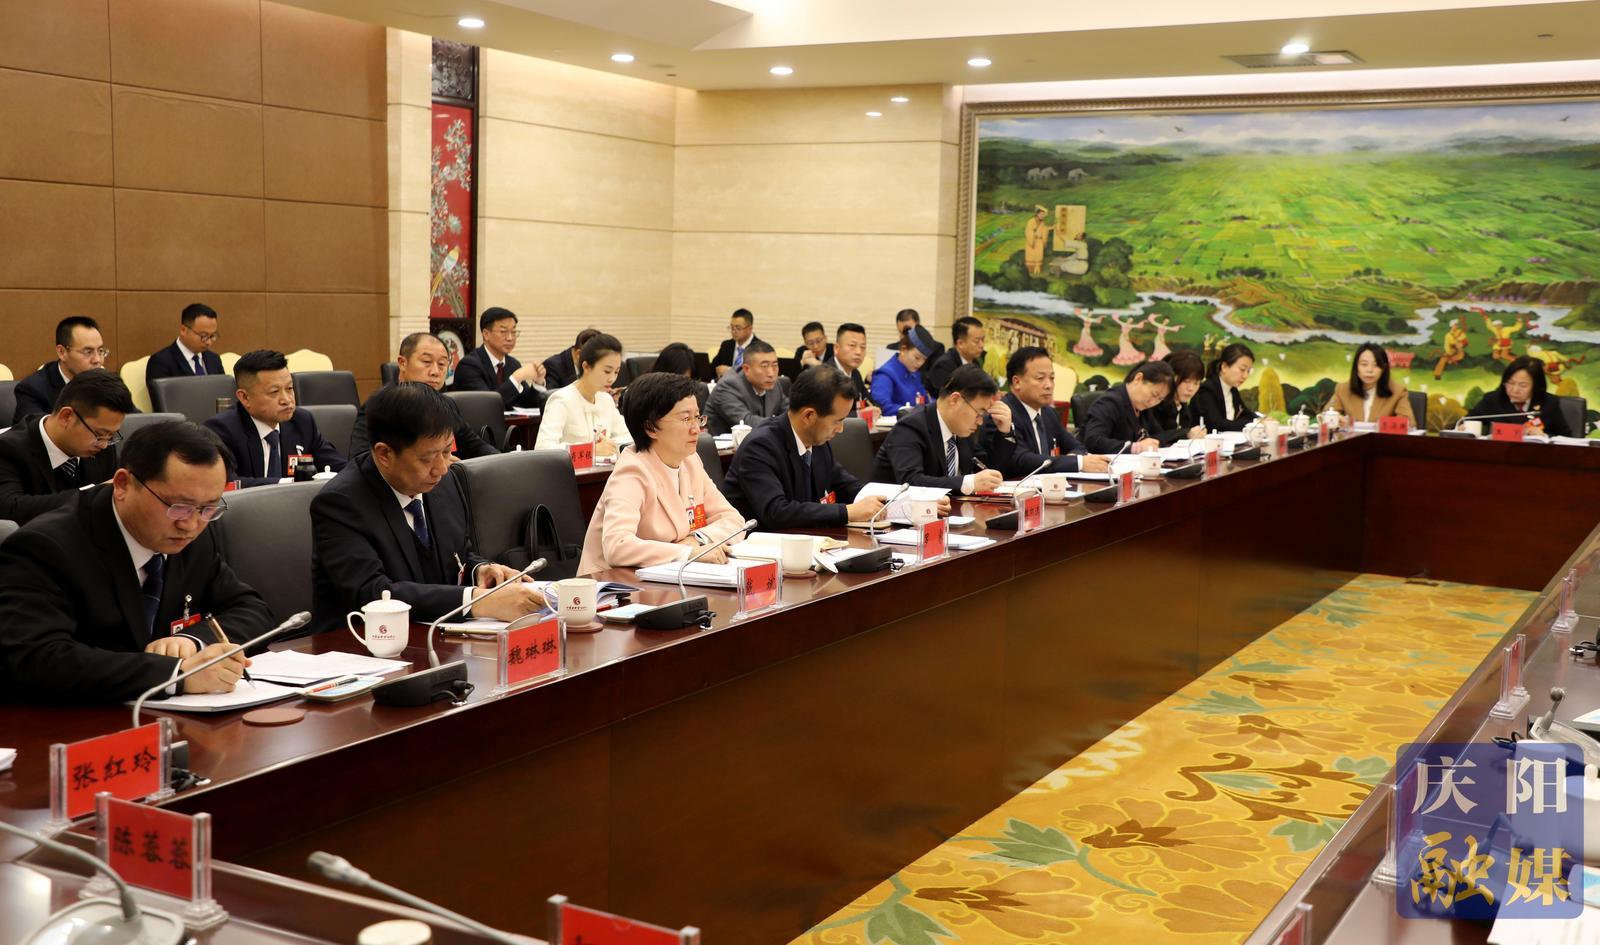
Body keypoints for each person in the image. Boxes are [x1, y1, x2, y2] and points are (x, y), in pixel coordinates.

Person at [0, 421, 272, 703]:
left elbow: (251, 609)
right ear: (123, 485)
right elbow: (40, 658)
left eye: (209, 508)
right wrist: (176, 675)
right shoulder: (46, 547)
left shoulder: (195, 535)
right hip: (72, 717)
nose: (191, 524)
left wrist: (191, 641)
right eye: (178, 507)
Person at [310, 384, 543, 635]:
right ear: (385, 453)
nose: (442, 468)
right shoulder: (340, 504)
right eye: (427, 458)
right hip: (362, 643)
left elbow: (459, 554)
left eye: (447, 451)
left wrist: (481, 570)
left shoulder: (446, 482)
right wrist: (477, 601)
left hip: (437, 637)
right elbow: (374, 593)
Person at [577, 373, 746, 574]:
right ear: (651, 428)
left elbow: (734, 520)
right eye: (685, 419)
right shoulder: (632, 472)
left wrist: (696, 539)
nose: (696, 429)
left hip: (670, 577)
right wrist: (686, 552)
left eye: (697, 417)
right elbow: (617, 546)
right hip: (616, 583)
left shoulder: (690, 461)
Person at [722, 366, 884, 530]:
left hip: (807, 539)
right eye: (837, 421)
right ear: (808, 415)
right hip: (760, 541)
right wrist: (847, 512)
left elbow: (845, 485)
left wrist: (880, 500)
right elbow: (777, 512)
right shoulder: (760, 446)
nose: (841, 429)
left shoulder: (817, 442)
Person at [0, 369, 132, 524]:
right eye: (99, 434)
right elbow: (10, 509)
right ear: (66, 417)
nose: (104, 444)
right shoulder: (7, 448)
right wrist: (94, 495)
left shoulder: (103, 444)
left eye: (111, 435)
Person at [204, 349, 347, 487]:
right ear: (245, 397)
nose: (286, 400)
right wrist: (289, 484)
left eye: (289, 389)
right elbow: (227, 483)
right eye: (274, 392)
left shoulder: (302, 422)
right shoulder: (221, 430)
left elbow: (340, 468)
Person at [872, 363, 1017, 496]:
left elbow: (986, 471)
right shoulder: (910, 427)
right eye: (979, 413)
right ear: (955, 400)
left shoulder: (961, 429)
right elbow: (911, 482)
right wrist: (968, 483)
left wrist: (1005, 432)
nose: (980, 422)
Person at [350, 333, 497, 461]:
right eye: (427, 362)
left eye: (442, 364)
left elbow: (475, 446)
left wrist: (501, 461)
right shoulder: (380, 406)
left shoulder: (446, 404)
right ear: (402, 363)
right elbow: (360, 459)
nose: (435, 371)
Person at [999, 347, 1108, 475]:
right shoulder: (1003, 414)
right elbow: (1022, 460)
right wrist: (1077, 463)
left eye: (1051, 378)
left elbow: (1077, 446)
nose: (1049, 385)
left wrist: (1073, 458)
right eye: (1040, 378)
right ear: (1017, 382)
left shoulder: (1048, 413)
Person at [534, 332, 629, 454]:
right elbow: (543, 448)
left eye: (616, 372)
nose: (612, 379)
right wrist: (590, 450)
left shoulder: (606, 399)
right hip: (570, 467)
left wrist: (611, 445)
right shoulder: (561, 400)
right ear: (586, 367)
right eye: (607, 371)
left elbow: (627, 436)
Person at [14, 316, 108, 425]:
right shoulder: (33, 390)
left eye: (101, 351)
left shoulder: (107, 384)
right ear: (62, 352)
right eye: (88, 352)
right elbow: (33, 432)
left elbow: (123, 424)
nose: (97, 360)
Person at [449, 306, 546, 409]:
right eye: (503, 331)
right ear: (486, 334)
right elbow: (487, 405)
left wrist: (538, 382)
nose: (510, 338)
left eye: (513, 332)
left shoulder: (513, 364)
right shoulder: (469, 366)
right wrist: (517, 377)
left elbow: (528, 404)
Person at [1081, 360, 1176, 454]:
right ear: (1138, 379)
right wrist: (1136, 447)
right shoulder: (1110, 402)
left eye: (1160, 399)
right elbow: (1093, 441)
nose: (1153, 402)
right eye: (1154, 394)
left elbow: (1159, 435)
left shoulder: (1143, 407)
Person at [1467, 355, 1572, 437]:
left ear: (1536, 386)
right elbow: (1468, 421)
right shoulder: (1493, 400)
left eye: (1523, 385)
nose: (1515, 390)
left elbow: (1567, 437)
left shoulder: (1549, 403)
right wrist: (1464, 427)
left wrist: (1544, 436)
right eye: (1511, 383)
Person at [704, 340, 787, 436]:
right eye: (764, 366)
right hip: (724, 444)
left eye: (775, 365)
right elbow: (747, 423)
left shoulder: (773, 384)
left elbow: (790, 413)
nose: (771, 373)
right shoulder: (728, 386)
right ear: (747, 369)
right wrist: (785, 424)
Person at [1324, 343, 1416, 427]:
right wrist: (1337, 418)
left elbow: (1409, 422)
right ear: (1356, 367)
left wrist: (1381, 425)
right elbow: (1326, 415)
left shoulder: (1397, 391)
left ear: (1383, 368)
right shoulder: (1343, 389)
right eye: (1364, 364)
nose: (1369, 370)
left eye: (1376, 365)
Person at [145, 302, 224, 387]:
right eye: (204, 336)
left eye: (212, 336)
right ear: (183, 330)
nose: (209, 342)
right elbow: (162, 395)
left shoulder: (214, 359)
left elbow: (223, 391)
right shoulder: (160, 362)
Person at [1145, 350, 1208, 446]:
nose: (1191, 388)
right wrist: (1186, 433)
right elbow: (1154, 437)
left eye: (1196, 383)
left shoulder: (1184, 407)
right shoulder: (1155, 403)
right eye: (1186, 381)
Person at [871, 325, 936, 416]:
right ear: (903, 349)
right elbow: (882, 407)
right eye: (917, 358)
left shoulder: (914, 374)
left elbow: (926, 399)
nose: (920, 363)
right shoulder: (885, 374)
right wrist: (914, 411)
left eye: (924, 359)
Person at [1191, 343, 1255, 433]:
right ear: (1224, 367)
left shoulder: (1233, 390)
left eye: (1248, 371)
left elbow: (1247, 413)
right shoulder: (1207, 389)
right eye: (1242, 369)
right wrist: (1252, 424)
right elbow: (1217, 424)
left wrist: (1261, 420)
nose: (1245, 376)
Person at [923, 316, 991, 397]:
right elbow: (946, 398)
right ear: (960, 343)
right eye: (977, 341)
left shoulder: (975, 363)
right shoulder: (944, 366)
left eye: (983, 340)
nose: (982, 345)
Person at [824, 322, 871, 413]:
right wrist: (860, 414)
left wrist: (876, 409)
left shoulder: (855, 373)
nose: (858, 352)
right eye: (852, 345)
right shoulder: (825, 376)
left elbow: (869, 401)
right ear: (836, 348)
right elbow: (828, 414)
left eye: (863, 347)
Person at [649, 343, 709, 411]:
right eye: (676, 381)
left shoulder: (697, 392)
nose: (680, 386)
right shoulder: (649, 392)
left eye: (685, 381)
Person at [711, 308, 762, 379]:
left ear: (749, 329)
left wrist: (730, 371)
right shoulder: (726, 345)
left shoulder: (760, 349)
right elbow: (712, 368)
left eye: (738, 328)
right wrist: (717, 370)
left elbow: (758, 374)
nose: (733, 331)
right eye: (732, 328)